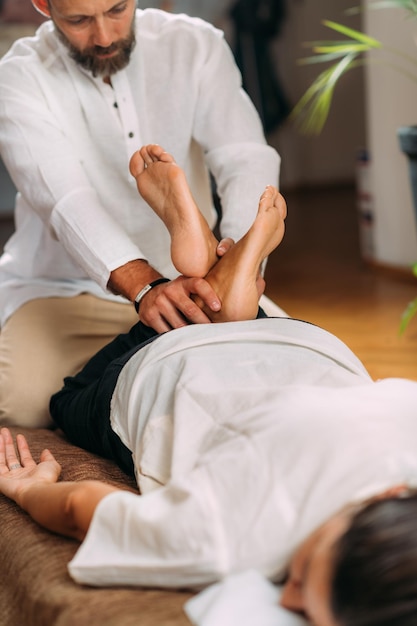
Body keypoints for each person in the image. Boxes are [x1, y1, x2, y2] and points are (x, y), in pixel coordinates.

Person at [1, 147, 417, 626]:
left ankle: (217, 295)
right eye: (303, 578)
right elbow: (78, 509)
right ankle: (206, 298)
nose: (286, 601)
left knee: (242, 342)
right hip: (177, 369)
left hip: (305, 344)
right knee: (69, 399)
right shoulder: (228, 538)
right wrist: (29, 492)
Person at [0, 0, 280, 428]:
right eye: (79, 20)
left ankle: (226, 274)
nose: (105, 36)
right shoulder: (19, 75)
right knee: (17, 406)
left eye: (116, 10)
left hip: (196, 288)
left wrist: (243, 255)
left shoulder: (194, 44)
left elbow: (243, 155)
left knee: (288, 373)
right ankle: (207, 317)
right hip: (64, 291)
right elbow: (66, 199)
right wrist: (145, 288)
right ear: (43, 5)